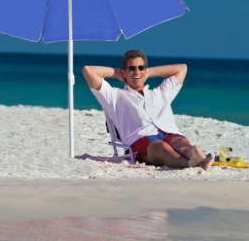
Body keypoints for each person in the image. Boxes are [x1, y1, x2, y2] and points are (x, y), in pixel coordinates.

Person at [82, 49, 214, 171]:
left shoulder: (159, 93)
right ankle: (191, 164)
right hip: (140, 140)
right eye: (132, 68)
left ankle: (197, 158)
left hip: (168, 133)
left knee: (181, 143)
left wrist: (148, 72)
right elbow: (88, 70)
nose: (137, 72)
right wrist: (118, 74)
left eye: (141, 68)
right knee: (162, 147)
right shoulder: (115, 97)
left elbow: (182, 68)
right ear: (124, 72)